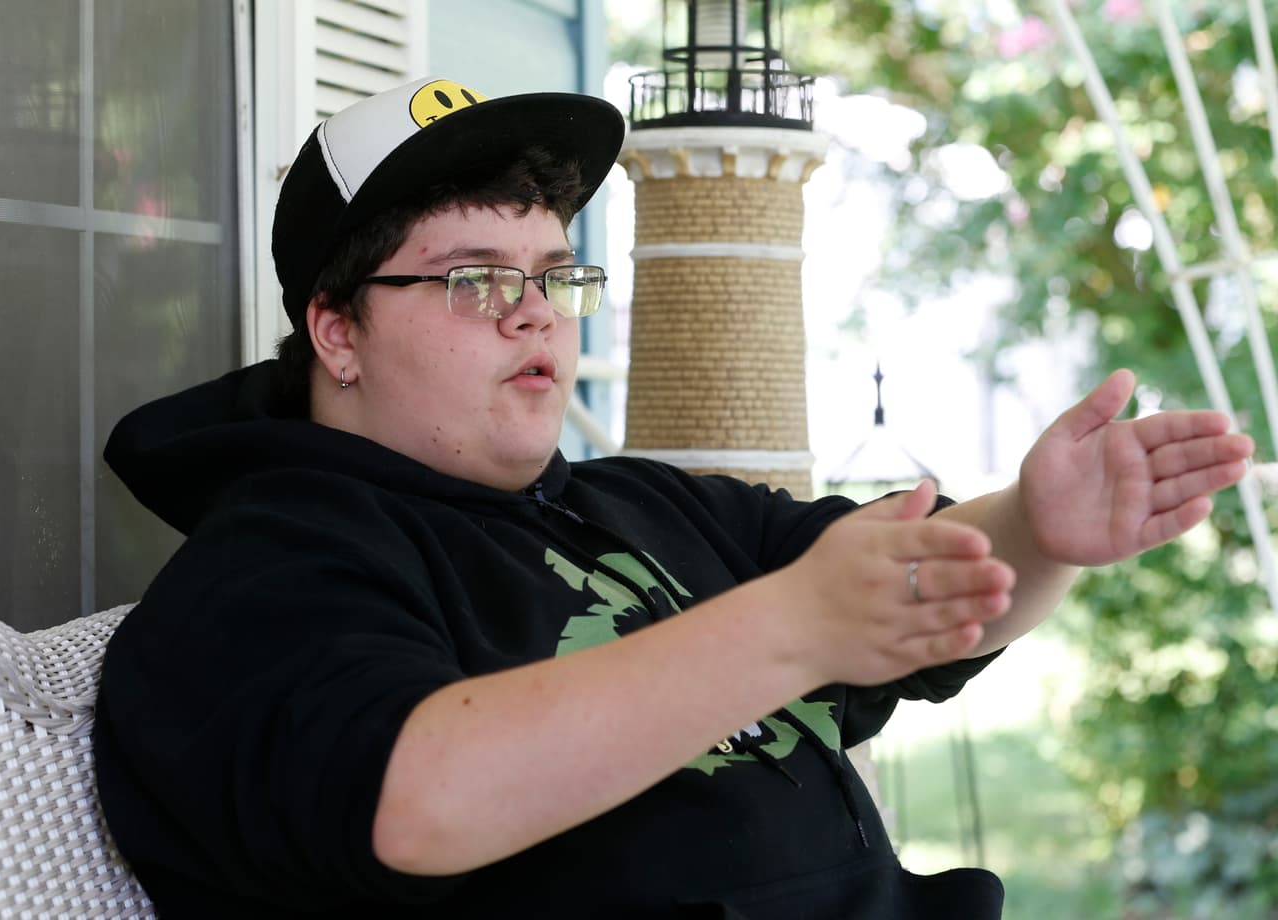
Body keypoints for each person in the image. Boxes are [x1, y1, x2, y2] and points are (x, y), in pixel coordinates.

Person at [93, 75, 1254, 920]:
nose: (533, 310)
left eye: (554, 276)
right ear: (337, 331)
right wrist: (787, 625)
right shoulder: (266, 566)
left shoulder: (641, 504)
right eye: (473, 279)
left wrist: (1032, 530)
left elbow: (902, 591)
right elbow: (414, 800)